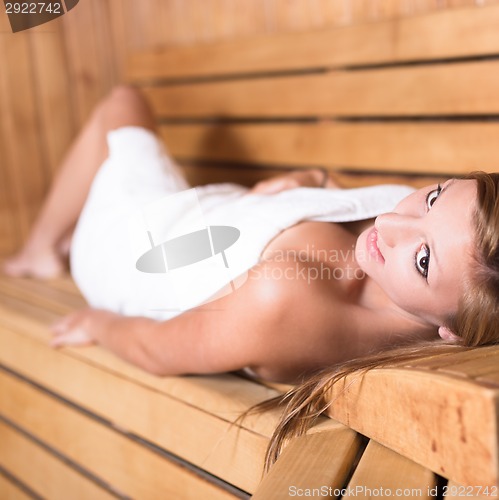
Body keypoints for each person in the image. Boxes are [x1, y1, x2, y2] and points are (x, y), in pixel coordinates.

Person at [2, 86, 497, 392]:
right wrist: (309, 177)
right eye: (434, 196)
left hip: (134, 250)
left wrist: (96, 321)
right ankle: (45, 245)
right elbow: (344, 199)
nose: (388, 226)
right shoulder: (408, 265)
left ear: (451, 331)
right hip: (207, 215)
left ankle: (41, 249)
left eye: (425, 260)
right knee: (126, 103)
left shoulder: (288, 300)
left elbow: (156, 348)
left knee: (121, 102)